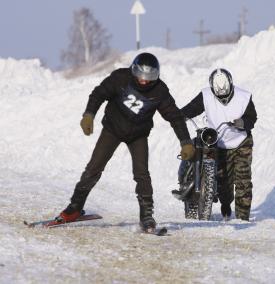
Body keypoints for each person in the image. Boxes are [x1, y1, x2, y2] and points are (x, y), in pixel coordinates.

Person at [56, 52, 195, 232]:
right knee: (94, 168)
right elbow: (98, 94)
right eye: (141, 76)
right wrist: (89, 114)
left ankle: (146, 216)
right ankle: (74, 208)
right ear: (133, 71)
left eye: (149, 77)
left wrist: (185, 142)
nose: (144, 81)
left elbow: (175, 117)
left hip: (138, 135)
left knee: (142, 174)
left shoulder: (160, 91)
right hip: (112, 129)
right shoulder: (120, 78)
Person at [181, 68, 257, 221]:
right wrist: (180, 116)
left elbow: (252, 118)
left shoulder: (244, 97)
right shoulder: (206, 95)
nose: (223, 97)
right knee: (223, 181)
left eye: (226, 94)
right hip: (217, 143)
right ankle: (225, 205)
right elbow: (191, 109)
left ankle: (242, 218)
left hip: (241, 142)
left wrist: (242, 122)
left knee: (243, 181)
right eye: (219, 95)